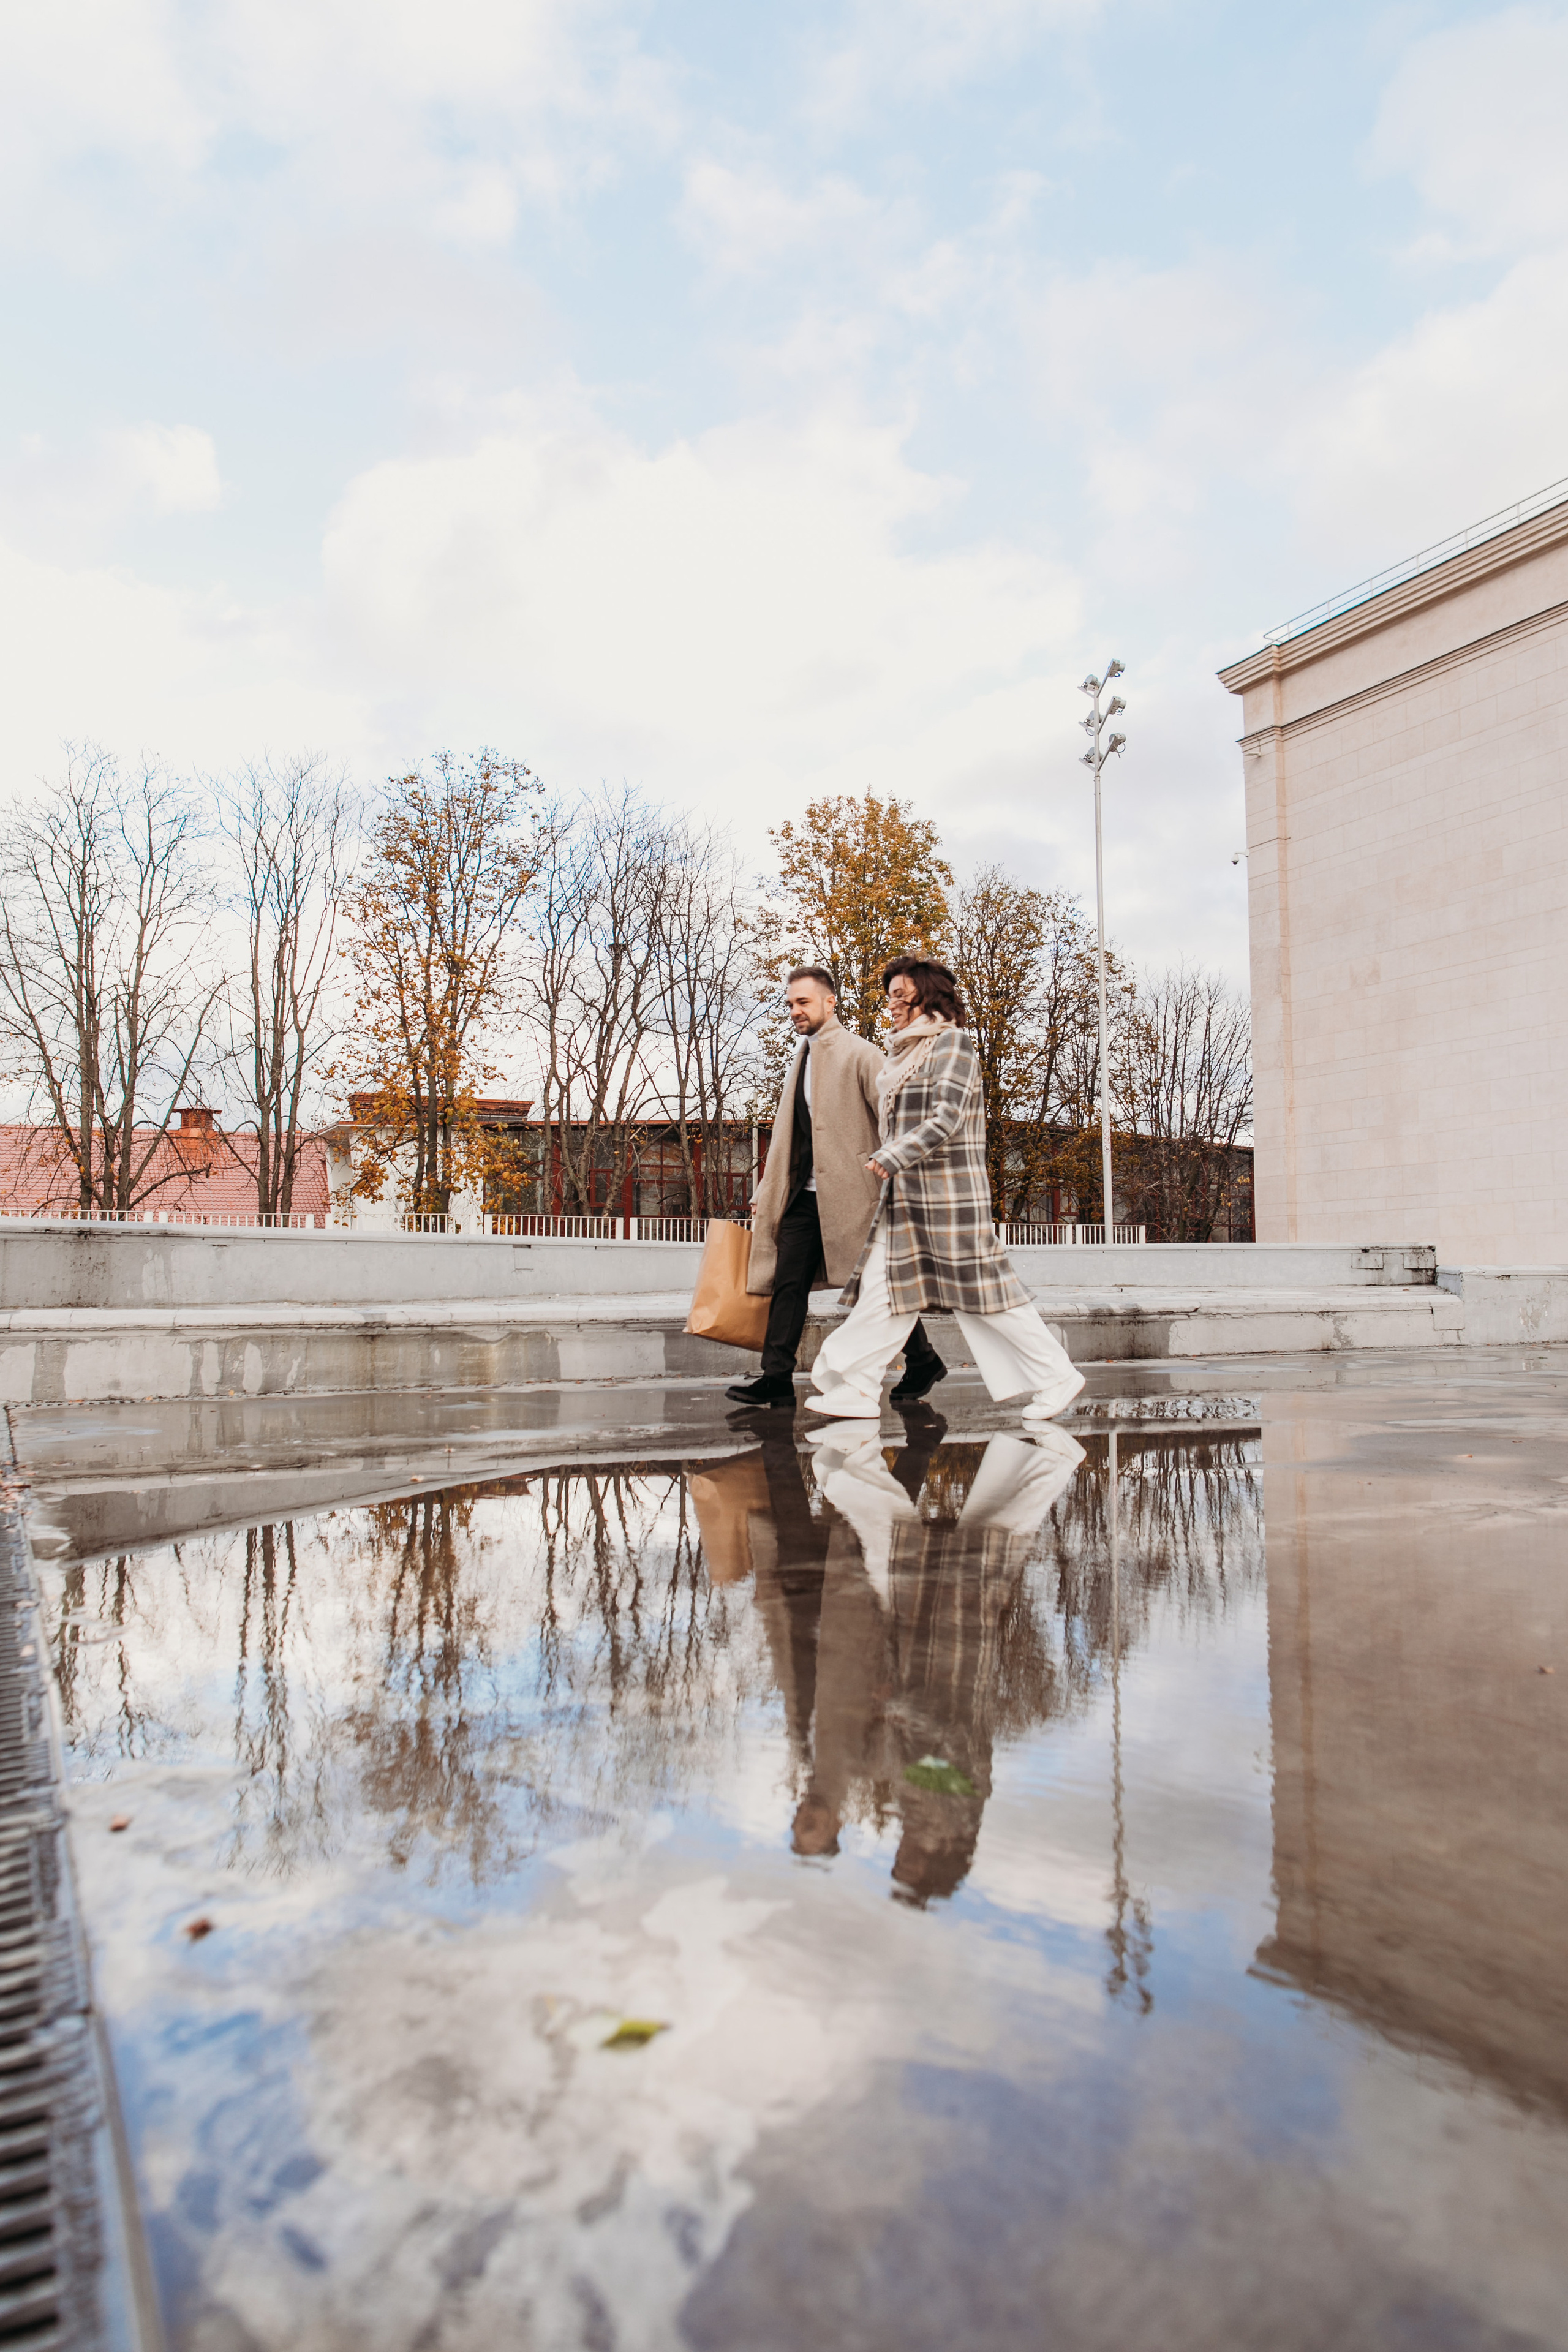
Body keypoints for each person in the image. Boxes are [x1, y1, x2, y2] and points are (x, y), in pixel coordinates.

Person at [805, 957, 1086, 1423]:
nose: (891, 1004)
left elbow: (947, 1116)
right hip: (906, 1202)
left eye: (901, 994)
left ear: (926, 996)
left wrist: (891, 1155)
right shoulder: (900, 1056)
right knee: (885, 1292)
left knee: (984, 1300)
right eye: (890, 994)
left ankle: (1057, 1376)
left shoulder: (952, 1044)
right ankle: (855, 1387)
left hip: (949, 1199)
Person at [727, 965, 945, 1410]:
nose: (795, 1011)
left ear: (831, 1002)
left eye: (803, 1002)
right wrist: (765, 1192)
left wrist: (896, 1178)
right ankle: (777, 1378)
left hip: (854, 1197)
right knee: (788, 1285)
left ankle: (923, 1359)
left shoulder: (862, 1055)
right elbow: (792, 1136)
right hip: (802, 1199)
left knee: (870, 1287)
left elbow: (901, 1120)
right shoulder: (802, 1058)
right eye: (790, 1004)